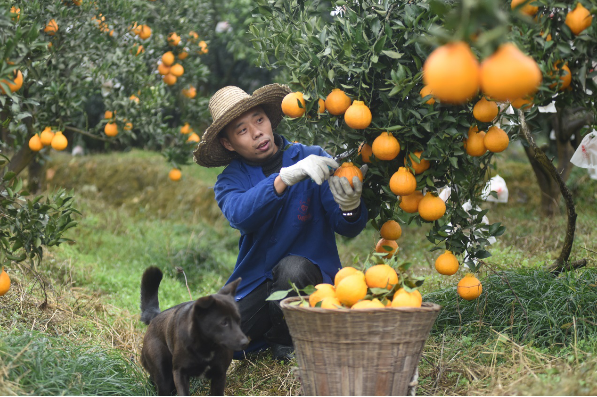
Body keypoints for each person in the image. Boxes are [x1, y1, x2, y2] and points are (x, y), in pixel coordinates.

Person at [193, 84, 368, 361]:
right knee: (209, 337)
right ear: (228, 143)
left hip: (310, 280)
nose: (256, 132)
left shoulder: (312, 157)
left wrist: (350, 208)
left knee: (293, 269)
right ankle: (271, 331)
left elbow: (347, 227)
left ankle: (286, 343)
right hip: (258, 283)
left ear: (269, 120)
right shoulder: (230, 180)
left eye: (259, 120)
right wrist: (285, 178)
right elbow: (241, 216)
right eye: (241, 130)